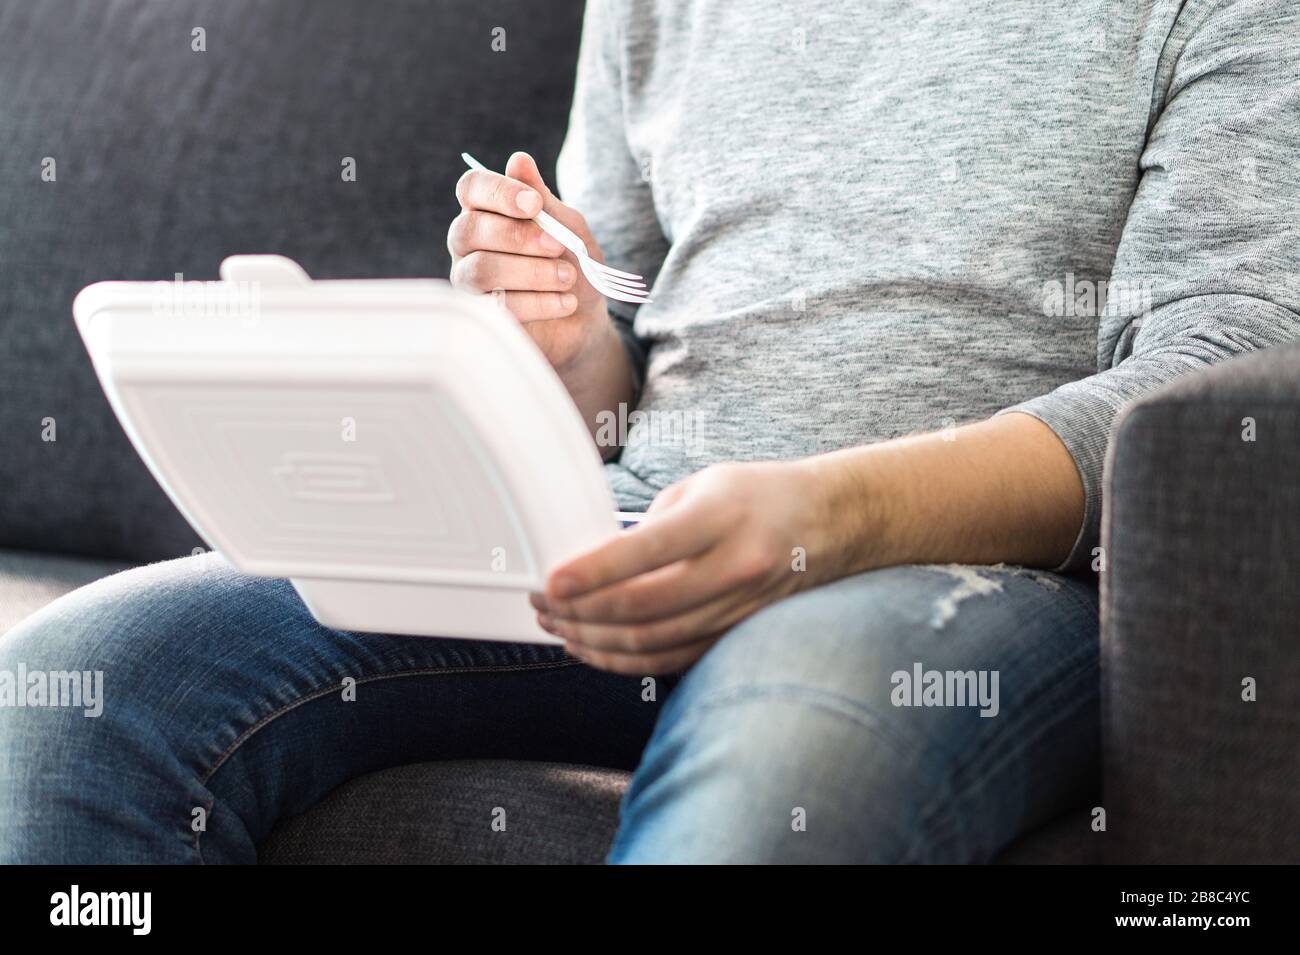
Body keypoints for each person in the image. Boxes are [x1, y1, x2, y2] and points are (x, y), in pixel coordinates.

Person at [2, 0, 1296, 863]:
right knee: (88, 680)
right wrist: (565, 345)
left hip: (962, 572)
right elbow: (628, 349)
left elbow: (1225, 373)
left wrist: (834, 516)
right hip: (624, 527)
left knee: (782, 791)